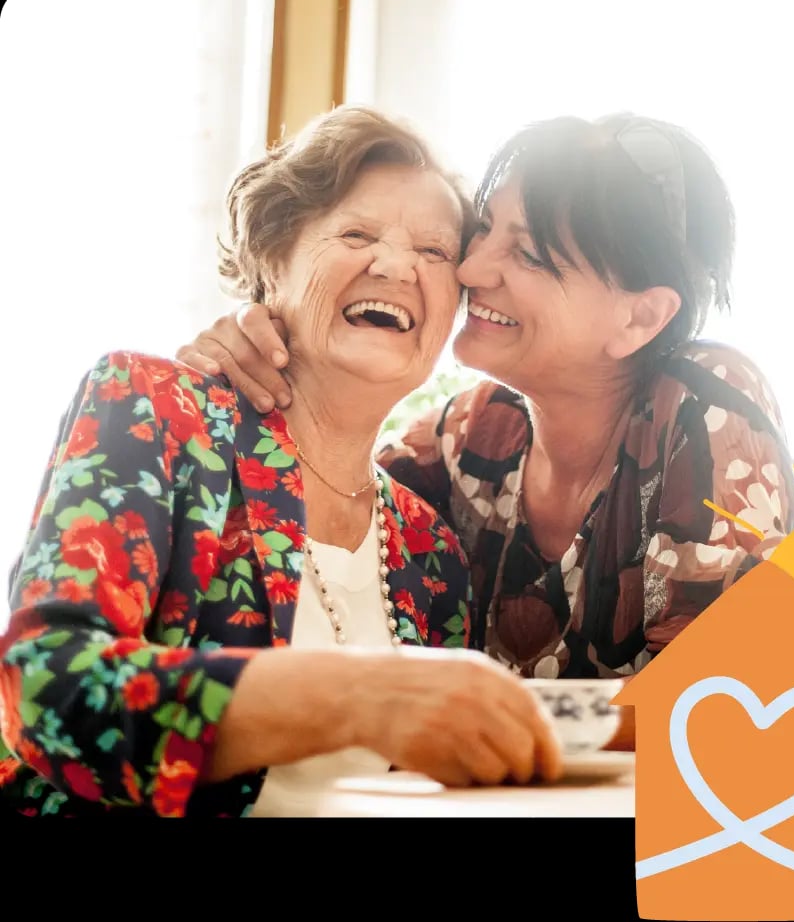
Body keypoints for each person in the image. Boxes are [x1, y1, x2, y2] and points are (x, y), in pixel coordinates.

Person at [0, 105, 564, 818]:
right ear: (271, 265)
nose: (393, 265)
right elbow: (45, 689)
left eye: (434, 252)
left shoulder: (433, 548)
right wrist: (353, 696)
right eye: (356, 233)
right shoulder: (154, 407)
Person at [178, 112, 794, 749]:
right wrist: (266, 332)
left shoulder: (706, 402)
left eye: (527, 254)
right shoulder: (473, 435)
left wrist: (466, 712)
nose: (471, 270)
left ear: (640, 318)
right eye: (482, 234)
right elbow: (327, 486)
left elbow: (725, 701)